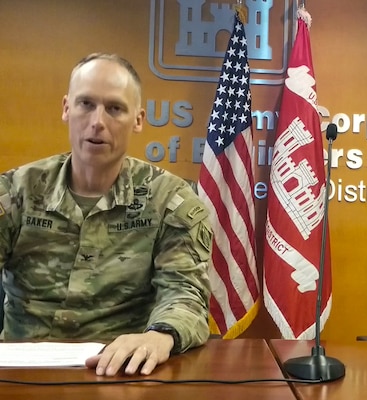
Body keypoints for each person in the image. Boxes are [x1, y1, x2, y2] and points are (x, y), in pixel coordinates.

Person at [0, 53, 213, 375]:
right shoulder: (15, 191)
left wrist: (161, 336)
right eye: (86, 104)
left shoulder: (169, 199)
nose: (98, 121)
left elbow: (185, 293)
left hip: (121, 369)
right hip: (21, 370)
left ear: (138, 119)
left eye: (114, 108)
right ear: (66, 108)